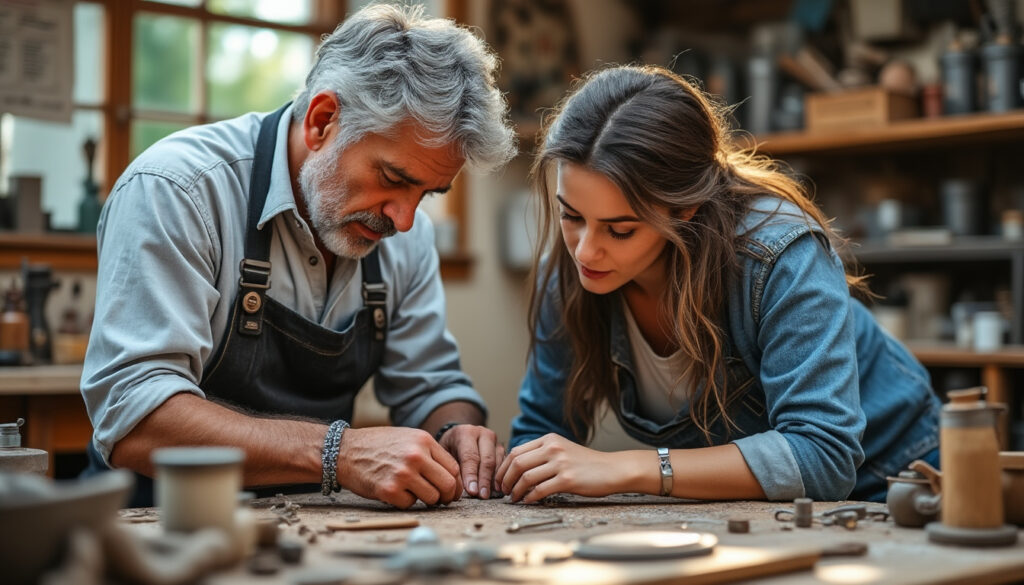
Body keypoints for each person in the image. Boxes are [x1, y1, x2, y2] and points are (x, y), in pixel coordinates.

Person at [81, 4, 516, 509]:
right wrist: (337, 453)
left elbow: (431, 383)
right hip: (154, 523)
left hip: (310, 526)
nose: (403, 220)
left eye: (428, 194)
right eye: (394, 179)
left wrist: (455, 428)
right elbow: (135, 417)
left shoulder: (403, 230)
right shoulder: (178, 190)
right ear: (322, 120)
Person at [495, 65, 940, 504]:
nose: (585, 252)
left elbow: (823, 456)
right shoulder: (572, 273)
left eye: (621, 229)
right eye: (571, 216)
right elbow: (542, 431)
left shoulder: (780, 256)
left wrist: (624, 467)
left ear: (685, 209)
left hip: (900, 476)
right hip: (769, 510)